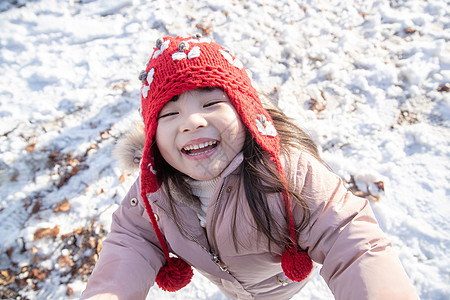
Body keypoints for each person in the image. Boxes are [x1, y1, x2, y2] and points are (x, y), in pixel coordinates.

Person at [81, 35, 419, 299]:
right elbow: (130, 240)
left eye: (211, 102)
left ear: (244, 112)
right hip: (231, 284)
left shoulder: (288, 171)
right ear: (155, 135)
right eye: (170, 114)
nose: (192, 122)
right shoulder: (155, 191)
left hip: (280, 285)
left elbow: (350, 238)